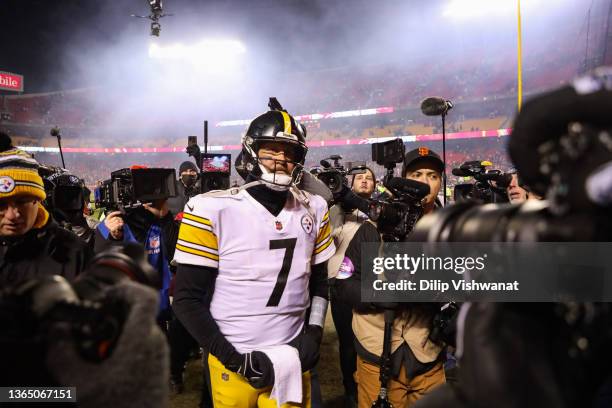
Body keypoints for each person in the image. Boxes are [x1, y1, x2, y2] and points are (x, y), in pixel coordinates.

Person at [173, 106, 336, 408]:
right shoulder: (211, 208)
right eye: (271, 150)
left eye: (289, 153)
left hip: (290, 354)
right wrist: (233, 358)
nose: (281, 160)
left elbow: (321, 283)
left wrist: (313, 333)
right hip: (233, 356)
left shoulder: (314, 208)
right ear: (251, 152)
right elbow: (186, 299)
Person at [334, 147, 446, 408]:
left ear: (441, 182)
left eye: (432, 175)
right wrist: (378, 296)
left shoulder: (449, 232)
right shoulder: (372, 230)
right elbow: (344, 284)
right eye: (416, 174)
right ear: (403, 179)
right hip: (377, 354)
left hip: (429, 353)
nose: (423, 182)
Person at [0, 135, 91, 287]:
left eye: (22, 202)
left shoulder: (75, 252)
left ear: (38, 200)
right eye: (1, 204)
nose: (12, 215)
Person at [95, 181, 177, 330]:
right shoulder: (111, 225)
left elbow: (174, 254)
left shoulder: (159, 224)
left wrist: (164, 216)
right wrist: (112, 237)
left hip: (155, 313)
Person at [327, 166, 376, 408]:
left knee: (370, 342)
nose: (365, 182)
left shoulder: (382, 211)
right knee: (348, 343)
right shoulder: (337, 210)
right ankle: (351, 390)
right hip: (342, 285)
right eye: (360, 178)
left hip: (372, 284)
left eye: (369, 178)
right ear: (350, 183)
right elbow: (327, 240)